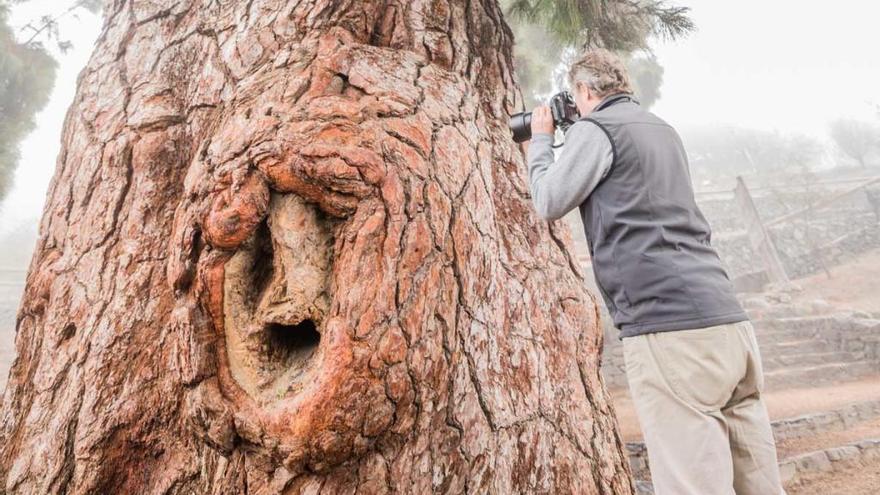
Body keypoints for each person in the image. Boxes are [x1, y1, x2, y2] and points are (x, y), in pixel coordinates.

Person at [523, 49, 786, 495]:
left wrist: (541, 142)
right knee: (758, 482)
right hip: (729, 324)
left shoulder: (595, 128)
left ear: (585, 91)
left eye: (574, 97)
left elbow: (549, 200)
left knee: (693, 485)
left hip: (670, 333)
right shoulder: (663, 130)